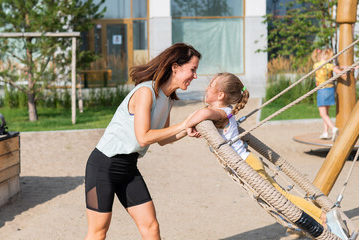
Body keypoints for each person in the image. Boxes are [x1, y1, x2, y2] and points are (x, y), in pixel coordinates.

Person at [185, 72, 349, 240]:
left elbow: (201, 115)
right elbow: (199, 114)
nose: (206, 88)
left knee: (282, 198)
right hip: (246, 163)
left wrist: (188, 125)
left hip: (247, 164)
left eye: (210, 86)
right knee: (280, 197)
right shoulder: (222, 111)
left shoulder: (221, 112)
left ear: (221, 95)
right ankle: (322, 219)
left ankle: (324, 218)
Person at [84, 43, 201, 240]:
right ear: (175, 67)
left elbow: (163, 138)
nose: (195, 76)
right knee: (98, 232)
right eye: (193, 69)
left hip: (128, 168)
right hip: (103, 166)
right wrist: (184, 123)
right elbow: (144, 137)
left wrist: (187, 130)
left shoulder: (168, 98)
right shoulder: (146, 92)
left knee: (151, 227)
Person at [311, 48, 342, 141]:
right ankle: (325, 132)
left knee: (322, 113)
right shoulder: (330, 65)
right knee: (326, 112)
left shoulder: (316, 65)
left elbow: (314, 58)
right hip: (330, 89)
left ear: (319, 56)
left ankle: (333, 129)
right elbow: (340, 73)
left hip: (322, 90)